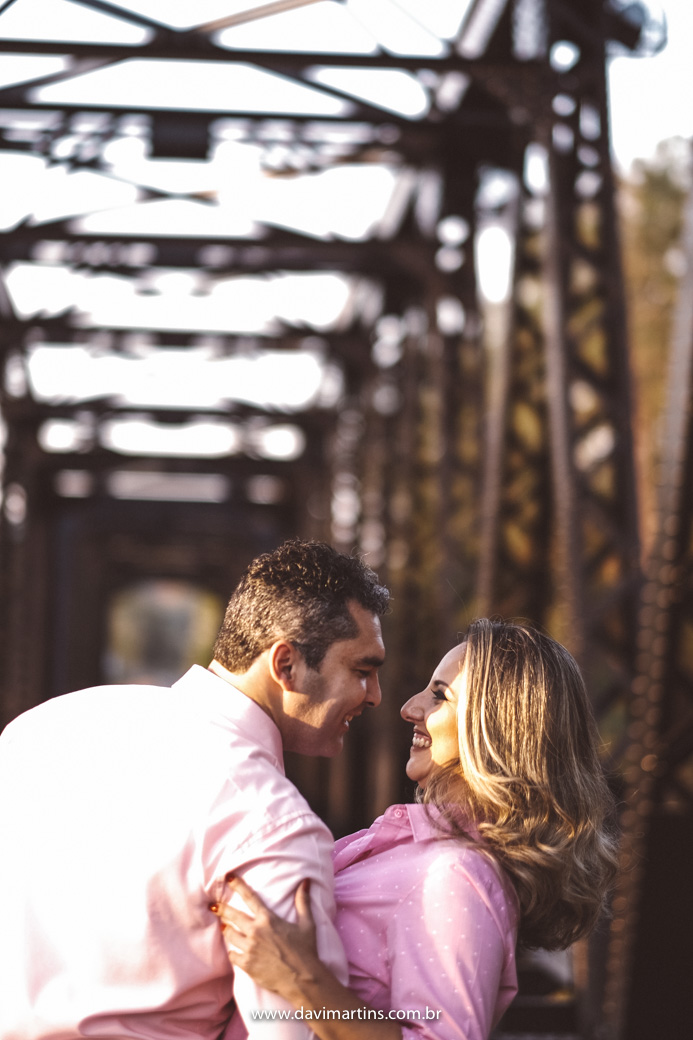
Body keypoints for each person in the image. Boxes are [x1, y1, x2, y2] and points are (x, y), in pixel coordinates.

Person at [0, 538, 388, 1040]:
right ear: (286, 664)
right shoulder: (271, 821)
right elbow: (291, 1032)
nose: (375, 696)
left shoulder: (41, 730)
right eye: (362, 671)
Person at [211, 619, 619, 1040]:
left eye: (440, 695)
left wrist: (302, 979)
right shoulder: (415, 849)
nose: (409, 707)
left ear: (497, 727)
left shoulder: (455, 876)